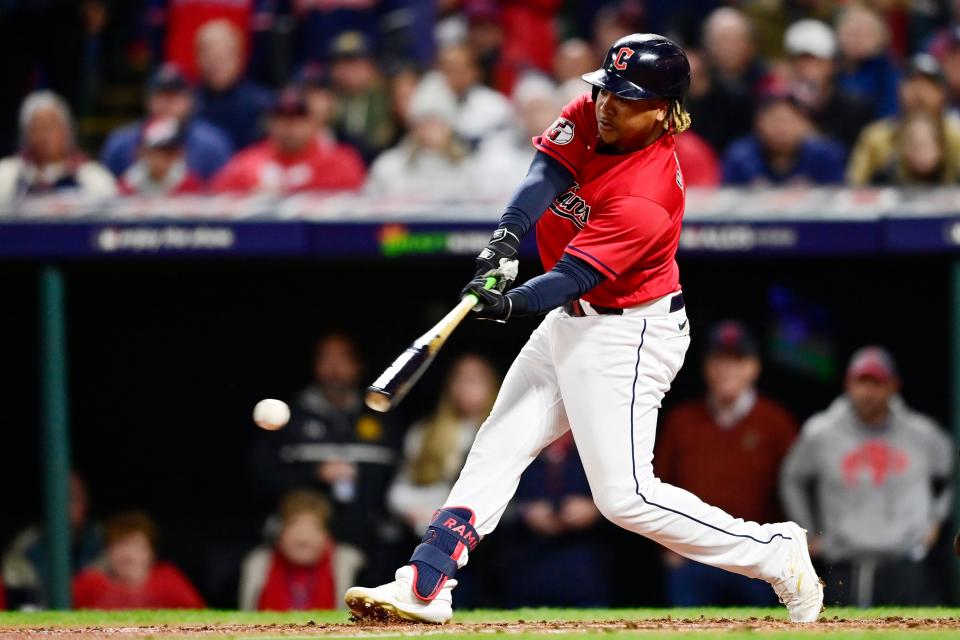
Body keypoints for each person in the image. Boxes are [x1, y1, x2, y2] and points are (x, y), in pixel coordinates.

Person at [344, 33, 823, 625]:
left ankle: (772, 552)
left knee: (625, 498)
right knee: (497, 444)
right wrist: (504, 241)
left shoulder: (647, 193)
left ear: (663, 109)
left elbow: (571, 277)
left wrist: (507, 305)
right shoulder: (596, 112)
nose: (606, 105)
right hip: (570, 323)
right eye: (606, 91)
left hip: (628, 334)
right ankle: (426, 584)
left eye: (626, 98)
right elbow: (544, 173)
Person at [780, 347, 955, 607]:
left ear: (893, 386)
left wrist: (935, 521)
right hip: (844, 566)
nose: (868, 391)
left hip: (905, 565)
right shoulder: (821, 432)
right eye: (862, 381)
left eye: (877, 382)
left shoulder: (922, 434)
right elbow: (792, 478)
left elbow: (953, 474)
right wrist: (806, 530)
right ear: (848, 383)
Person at [655, 321, 797, 606]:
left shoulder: (776, 422)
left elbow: (795, 486)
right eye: (719, 359)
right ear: (707, 367)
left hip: (755, 558)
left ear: (753, 367)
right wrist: (666, 544)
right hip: (693, 555)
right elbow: (654, 485)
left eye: (737, 359)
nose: (726, 369)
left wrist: (787, 548)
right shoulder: (681, 421)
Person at [251, 333, 401, 582]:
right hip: (302, 538)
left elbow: (399, 478)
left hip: (372, 542)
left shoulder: (384, 418)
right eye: (326, 358)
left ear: (358, 365)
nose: (334, 368)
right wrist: (314, 473)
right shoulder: (291, 418)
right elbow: (259, 476)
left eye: (343, 359)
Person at [388, 355, 499, 535]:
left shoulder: (500, 436)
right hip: (425, 532)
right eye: (460, 378)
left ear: (493, 386)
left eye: (475, 379)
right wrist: (413, 511)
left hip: (481, 538)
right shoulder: (424, 432)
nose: (466, 385)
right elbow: (399, 489)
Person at [503, 432, 609, 607]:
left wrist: (596, 509)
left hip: (586, 572)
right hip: (528, 572)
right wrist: (525, 512)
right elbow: (487, 505)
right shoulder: (516, 455)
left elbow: (629, 501)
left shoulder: (595, 454)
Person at [211, 87, 365, 195]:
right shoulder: (247, 163)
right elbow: (217, 195)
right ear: (269, 123)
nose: (289, 127)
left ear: (314, 122)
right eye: (281, 118)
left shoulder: (340, 161)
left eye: (298, 118)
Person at [100, 64, 233, 181]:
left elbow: (223, 192)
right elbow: (108, 191)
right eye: (160, 96)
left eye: (174, 96)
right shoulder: (121, 143)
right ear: (147, 100)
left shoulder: (212, 144)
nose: (166, 104)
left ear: (190, 100)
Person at [239, 490, 363, 611]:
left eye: (313, 527)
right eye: (294, 525)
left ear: (327, 535)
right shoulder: (257, 563)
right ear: (279, 533)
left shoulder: (352, 565)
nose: (303, 536)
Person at [847, 54, 960, 186]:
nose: (919, 92)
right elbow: (855, 185)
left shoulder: (956, 135)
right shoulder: (876, 137)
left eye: (928, 85)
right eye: (913, 83)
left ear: (941, 93)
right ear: (899, 90)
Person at [2, 472, 103, 609]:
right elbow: (22, 604)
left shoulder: (103, 540)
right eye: (58, 498)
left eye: (72, 497)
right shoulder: (27, 545)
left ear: (85, 501)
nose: (65, 505)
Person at [72, 511, 204, 609]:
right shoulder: (87, 584)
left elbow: (202, 621)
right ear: (108, 551)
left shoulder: (169, 581)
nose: (129, 556)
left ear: (151, 553)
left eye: (137, 546)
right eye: (120, 545)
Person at [365, 80, 474, 198]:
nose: (431, 131)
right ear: (414, 128)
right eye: (425, 123)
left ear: (450, 128)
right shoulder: (389, 166)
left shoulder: (468, 168)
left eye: (438, 124)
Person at [0, 91, 116, 202]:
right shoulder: (7, 174)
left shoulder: (93, 176)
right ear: (25, 134)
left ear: (67, 130)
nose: (45, 135)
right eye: (37, 128)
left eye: (51, 126)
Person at [782, 19, 875, 151]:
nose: (806, 68)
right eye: (800, 60)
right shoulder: (778, 102)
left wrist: (813, 135)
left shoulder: (855, 106)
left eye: (816, 61)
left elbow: (855, 155)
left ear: (832, 65)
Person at [722, 91, 846, 186]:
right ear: (758, 124)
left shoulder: (826, 155)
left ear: (806, 124)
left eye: (788, 121)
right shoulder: (740, 156)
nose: (781, 129)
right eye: (775, 121)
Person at [413, 42, 514, 150]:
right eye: (448, 69)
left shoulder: (494, 104)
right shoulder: (427, 99)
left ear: (474, 71)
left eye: (459, 68)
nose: (455, 74)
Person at [194, 19, 274, 150]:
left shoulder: (262, 104)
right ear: (198, 59)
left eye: (223, 57)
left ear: (239, 59)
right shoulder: (188, 103)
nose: (216, 65)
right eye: (209, 57)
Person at [834, 4, 900, 119]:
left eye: (865, 34)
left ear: (880, 39)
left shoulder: (887, 73)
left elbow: (889, 116)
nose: (857, 40)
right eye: (852, 33)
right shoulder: (830, 66)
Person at [118, 117, 205, 195]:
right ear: (141, 153)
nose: (161, 159)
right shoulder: (129, 184)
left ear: (180, 154)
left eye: (169, 153)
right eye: (155, 153)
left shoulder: (190, 184)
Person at [868, 111, 955, 186]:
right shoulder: (884, 179)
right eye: (916, 146)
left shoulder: (955, 178)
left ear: (941, 149)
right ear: (904, 149)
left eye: (927, 145)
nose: (922, 153)